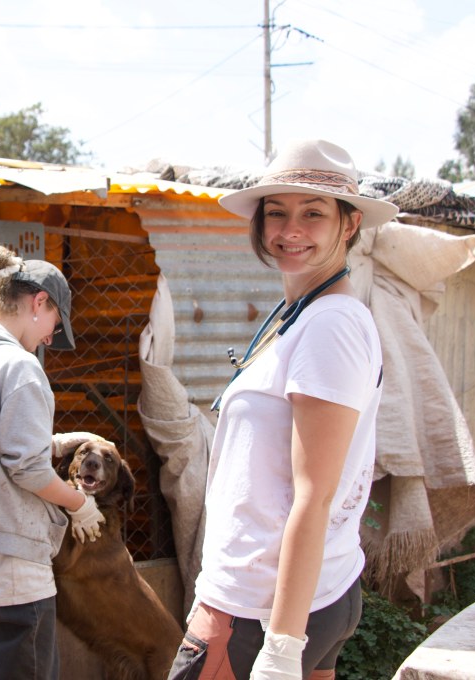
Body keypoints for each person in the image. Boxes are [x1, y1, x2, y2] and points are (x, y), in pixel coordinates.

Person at [166, 140, 398, 680]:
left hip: (259, 608)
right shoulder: (299, 315)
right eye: (277, 212)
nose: (289, 230)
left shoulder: (330, 325)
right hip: (306, 593)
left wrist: (281, 649)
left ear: (349, 223)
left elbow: (314, 497)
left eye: (312, 213)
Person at [0, 243, 106, 680]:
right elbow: (26, 469)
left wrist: (58, 442)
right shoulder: (21, 367)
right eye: (55, 321)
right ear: (38, 303)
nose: (51, 336)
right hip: (11, 563)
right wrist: (78, 503)